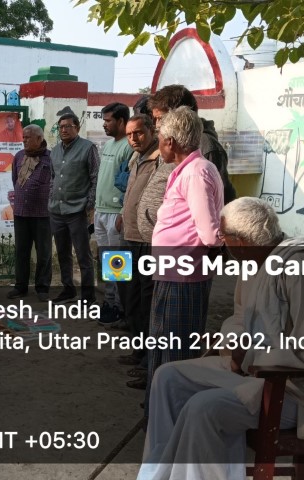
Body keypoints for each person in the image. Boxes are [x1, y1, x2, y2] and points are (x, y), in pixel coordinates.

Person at [138, 197, 304, 479]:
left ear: (241, 241)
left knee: (205, 408)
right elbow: (239, 318)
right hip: (257, 372)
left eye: (224, 237)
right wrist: (233, 343)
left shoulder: (302, 269)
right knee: (168, 377)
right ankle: (156, 475)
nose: (222, 244)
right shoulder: (253, 262)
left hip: (301, 391)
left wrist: (250, 356)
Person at [145, 106, 224, 401]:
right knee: (162, 346)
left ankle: (171, 413)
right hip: (173, 273)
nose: (159, 143)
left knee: (175, 352)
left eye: (160, 137)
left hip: (184, 276)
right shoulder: (187, 170)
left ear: (171, 142)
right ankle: (158, 410)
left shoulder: (197, 172)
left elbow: (210, 233)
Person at [115, 114, 172, 390]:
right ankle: (137, 350)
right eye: (129, 134)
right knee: (127, 295)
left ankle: (148, 361)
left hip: (147, 241)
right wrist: (122, 213)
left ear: (151, 130)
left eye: (138, 133)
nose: (133, 139)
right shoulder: (135, 157)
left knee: (146, 301)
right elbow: (131, 192)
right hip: (126, 235)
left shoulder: (160, 158)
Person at [149, 84, 237, 204]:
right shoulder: (169, 140)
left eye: (161, 118)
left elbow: (219, 200)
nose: (157, 124)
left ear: (181, 114)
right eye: (156, 119)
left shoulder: (206, 145)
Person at [48, 113, 99, 304]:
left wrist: (89, 204)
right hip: (57, 210)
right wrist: (51, 197)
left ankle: (88, 296)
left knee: (83, 255)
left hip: (78, 211)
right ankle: (68, 290)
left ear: (77, 127)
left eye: (68, 126)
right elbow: (53, 178)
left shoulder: (88, 148)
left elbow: (95, 177)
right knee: (63, 254)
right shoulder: (54, 151)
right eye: (61, 127)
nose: (64, 130)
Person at [95, 102, 133, 326]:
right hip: (101, 211)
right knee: (106, 261)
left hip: (115, 214)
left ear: (121, 121)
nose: (104, 124)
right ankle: (109, 301)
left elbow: (129, 183)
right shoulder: (109, 144)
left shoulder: (128, 146)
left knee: (117, 262)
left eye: (108, 120)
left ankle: (119, 307)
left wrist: (121, 212)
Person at [7, 124, 52, 302]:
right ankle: (20, 286)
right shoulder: (19, 156)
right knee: (21, 251)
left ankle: (42, 288)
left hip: (43, 214)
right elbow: (15, 180)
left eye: (28, 137)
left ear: (39, 139)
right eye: (23, 137)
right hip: (21, 213)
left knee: (44, 253)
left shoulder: (50, 158)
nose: (24, 140)